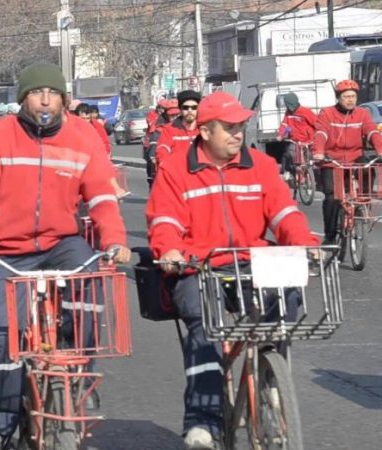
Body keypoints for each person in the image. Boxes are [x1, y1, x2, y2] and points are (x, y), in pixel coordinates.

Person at [0, 63, 131, 450]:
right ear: (23, 100)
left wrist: (115, 241)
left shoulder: (83, 137)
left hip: (60, 243)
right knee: (3, 338)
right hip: (8, 251)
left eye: (54, 93)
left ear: (65, 99)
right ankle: (1, 422)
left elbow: (102, 196)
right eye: (37, 93)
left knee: (92, 283)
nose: (46, 99)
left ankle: (81, 374)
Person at [146, 91, 319, 450]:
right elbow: (164, 220)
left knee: (286, 302)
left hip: (252, 260)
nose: (238, 133)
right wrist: (170, 249)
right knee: (204, 327)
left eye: (241, 126)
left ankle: (271, 376)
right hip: (198, 265)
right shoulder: (176, 168)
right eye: (229, 127)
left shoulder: (261, 164)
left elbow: (284, 212)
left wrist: (302, 241)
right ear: (206, 131)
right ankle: (201, 422)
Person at [313, 79, 382, 245]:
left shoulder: (362, 114)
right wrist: (319, 152)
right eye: (346, 96)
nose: (350, 100)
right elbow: (321, 133)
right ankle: (330, 237)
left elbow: (372, 132)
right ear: (338, 98)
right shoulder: (327, 113)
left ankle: (361, 202)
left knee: (368, 166)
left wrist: (380, 149)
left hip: (354, 157)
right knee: (332, 198)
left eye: (353, 96)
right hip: (332, 160)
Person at [276, 92, 317, 182]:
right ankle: (290, 174)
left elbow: (316, 123)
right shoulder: (288, 113)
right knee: (289, 154)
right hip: (295, 141)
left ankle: (311, 176)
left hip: (308, 140)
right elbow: (284, 124)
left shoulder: (306, 111)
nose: (291, 109)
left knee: (311, 158)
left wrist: (319, 135)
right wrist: (280, 134)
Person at [155, 90, 201, 167]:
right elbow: (162, 149)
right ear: (180, 109)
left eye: (194, 107)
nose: (190, 110)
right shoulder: (169, 129)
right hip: (177, 173)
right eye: (186, 107)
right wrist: (165, 164)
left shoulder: (204, 128)